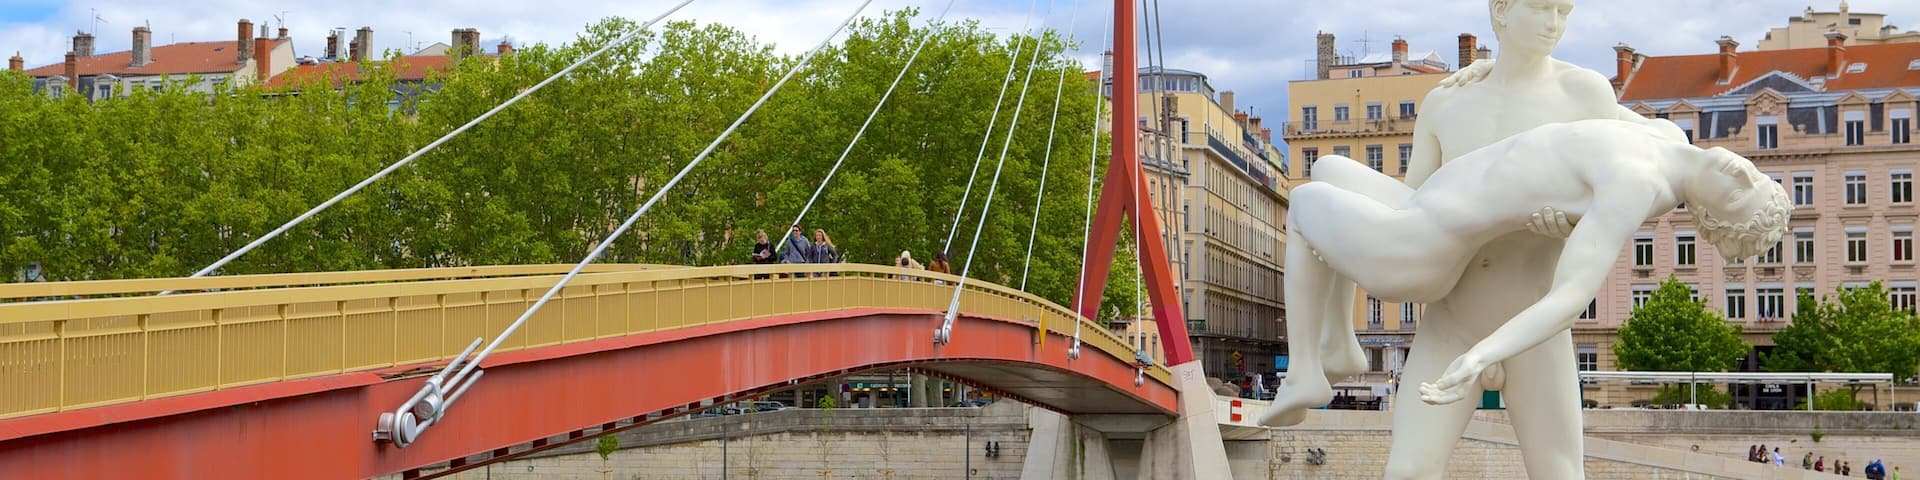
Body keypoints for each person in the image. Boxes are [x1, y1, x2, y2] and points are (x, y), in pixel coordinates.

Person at [1263, 1, 1697, 478]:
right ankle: (1335, 343)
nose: (1554, 24)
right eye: (1541, 8)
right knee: (1407, 471)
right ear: (1502, 12)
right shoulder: (1446, 101)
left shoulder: (1582, 91)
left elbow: (1670, 149)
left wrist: (1575, 221)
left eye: (1563, 11)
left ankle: (1326, 352)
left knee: (1559, 471)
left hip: (1533, 325)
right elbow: (1413, 210)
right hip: (1453, 319)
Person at [1262, 119, 1788, 421]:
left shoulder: (1636, 188)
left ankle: (1307, 370)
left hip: (1421, 244)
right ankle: (1338, 342)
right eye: (1756, 176)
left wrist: (1481, 353)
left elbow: (1568, 300)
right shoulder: (1667, 135)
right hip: (1420, 202)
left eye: (1739, 192)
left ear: (1708, 215)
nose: (1742, 169)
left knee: (1307, 206)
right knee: (1330, 167)